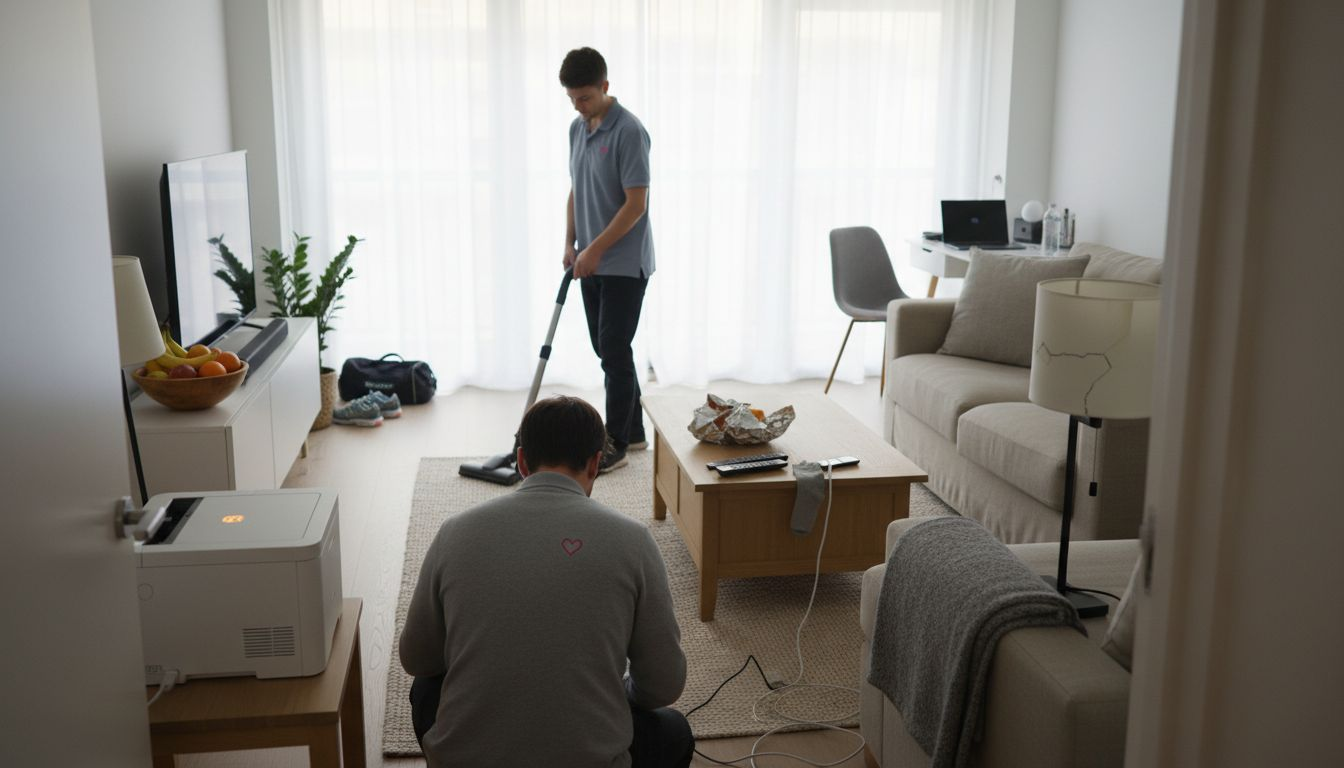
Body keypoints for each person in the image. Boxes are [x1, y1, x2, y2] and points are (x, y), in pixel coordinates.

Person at [400, 396, 693, 768]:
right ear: (595, 463)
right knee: (673, 730)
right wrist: (615, 693)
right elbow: (663, 685)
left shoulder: (455, 531)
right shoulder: (633, 540)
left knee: (425, 687)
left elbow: (417, 658)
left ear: (522, 461)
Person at [560, 46, 654, 473]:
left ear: (605, 86)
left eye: (585, 97)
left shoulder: (629, 131)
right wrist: (570, 243)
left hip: (624, 263)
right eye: (572, 98)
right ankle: (633, 432)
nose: (578, 106)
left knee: (614, 350)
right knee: (608, 349)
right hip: (590, 261)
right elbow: (576, 189)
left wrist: (594, 249)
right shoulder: (577, 129)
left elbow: (636, 205)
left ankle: (614, 441)